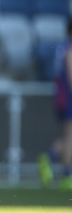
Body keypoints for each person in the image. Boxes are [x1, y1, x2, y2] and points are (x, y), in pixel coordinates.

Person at [38, 18, 72, 191]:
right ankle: (66, 175)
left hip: (61, 96)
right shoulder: (69, 48)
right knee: (69, 136)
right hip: (68, 97)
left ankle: (50, 157)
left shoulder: (62, 47)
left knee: (68, 135)